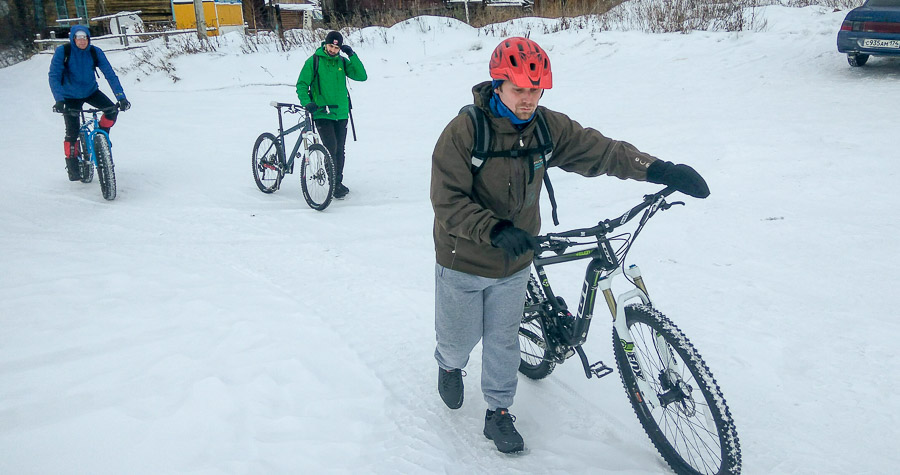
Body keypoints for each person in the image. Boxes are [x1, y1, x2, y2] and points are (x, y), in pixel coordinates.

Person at [430, 37, 710, 454]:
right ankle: (450, 365)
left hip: (516, 259)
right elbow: (447, 200)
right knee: (459, 338)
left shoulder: (546, 126)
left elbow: (599, 151)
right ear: (498, 84)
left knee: (503, 339)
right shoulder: (465, 131)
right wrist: (493, 230)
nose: (528, 100)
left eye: (535, 90)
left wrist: (656, 169)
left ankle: (498, 412)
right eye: (519, 90)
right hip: (464, 258)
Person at [48, 25, 130, 182]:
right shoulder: (63, 52)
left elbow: (110, 75)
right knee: (72, 131)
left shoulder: (95, 52)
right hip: (69, 96)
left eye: (84, 38)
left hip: (91, 91)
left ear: (88, 38)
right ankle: (72, 164)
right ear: (73, 39)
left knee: (112, 111)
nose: (82, 41)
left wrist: (121, 97)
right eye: (78, 38)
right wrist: (59, 100)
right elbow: (54, 75)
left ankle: (102, 136)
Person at [296, 30, 367, 199]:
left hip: (341, 112)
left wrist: (352, 55)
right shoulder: (314, 61)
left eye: (337, 47)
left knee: (340, 150)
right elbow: (301, 85)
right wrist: (307, 103)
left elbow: (362, 76)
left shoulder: (342, 61)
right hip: (322, 113)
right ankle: (334, 184)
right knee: (331, 148)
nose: (333, 50)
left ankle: (338, 182)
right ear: (325, 44)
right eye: (331, 46)